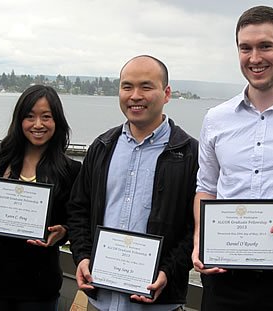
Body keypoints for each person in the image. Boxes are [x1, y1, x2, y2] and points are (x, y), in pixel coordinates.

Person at [192, 5, 273, 311]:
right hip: (224, 278)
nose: (255, 58)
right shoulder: (216, 119)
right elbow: (206, 188)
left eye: (265, 46)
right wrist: (201, 239)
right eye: (245, 48)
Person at [67, 55, 198, 311]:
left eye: (146, 87)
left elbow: (195, 227)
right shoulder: (102, 147)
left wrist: (168, 272)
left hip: (158, 303)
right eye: (127, 86)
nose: (135, 95)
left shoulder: (189, 154)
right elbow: (78, 208)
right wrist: (82, 256)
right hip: (99, 299)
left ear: (167, 93)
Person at [0, 85, 81, 311]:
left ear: (57, 122)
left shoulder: (70, 169)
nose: (38, 125)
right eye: (30, 116)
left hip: (40, 281)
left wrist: (63, 233)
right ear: (19, 120)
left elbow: (73, 222)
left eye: (46, 117)